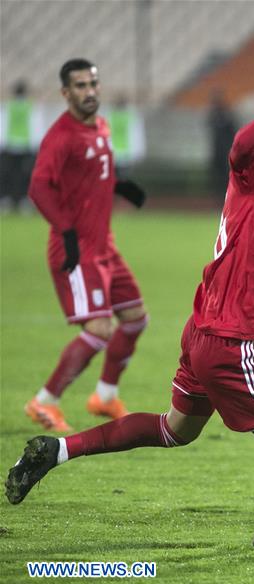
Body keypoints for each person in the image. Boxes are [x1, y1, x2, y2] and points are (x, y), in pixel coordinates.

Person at [5, 47, 254, 549]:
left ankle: (58, 450)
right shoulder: (253, 173)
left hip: (203, 336)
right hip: (231, 347)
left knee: (175, 431)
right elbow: (240, 141)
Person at [26, 59, 152, 432]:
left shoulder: (100, 125)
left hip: (105, 247)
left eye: (93, 84)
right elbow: (38, 187)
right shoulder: (60, 136)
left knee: (134, 319)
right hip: (76, 250)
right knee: (100, 329)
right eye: (80, 86)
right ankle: (44, 401)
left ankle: (105, 395)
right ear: (66, 93)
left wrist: (119, 184)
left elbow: (91, 173)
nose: (89, 91)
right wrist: (65, 230)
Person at [0, 79, 42, 213]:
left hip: (10, 145)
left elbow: (3, 125)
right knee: (26, 175)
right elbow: (35, 126)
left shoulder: (8, 106)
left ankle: (6, 199)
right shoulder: (30, 107)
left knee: (8, 174)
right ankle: (25, 200)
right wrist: (36, 145)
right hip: (25, 145)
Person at [207, 88, 237, 203]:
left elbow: (232, 133)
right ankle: (218, 199)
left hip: (226, 151)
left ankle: (226, 199)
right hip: (216, 151)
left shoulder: (227, 115)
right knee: (216, 176)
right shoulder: (213, 115)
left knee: (226, 176)